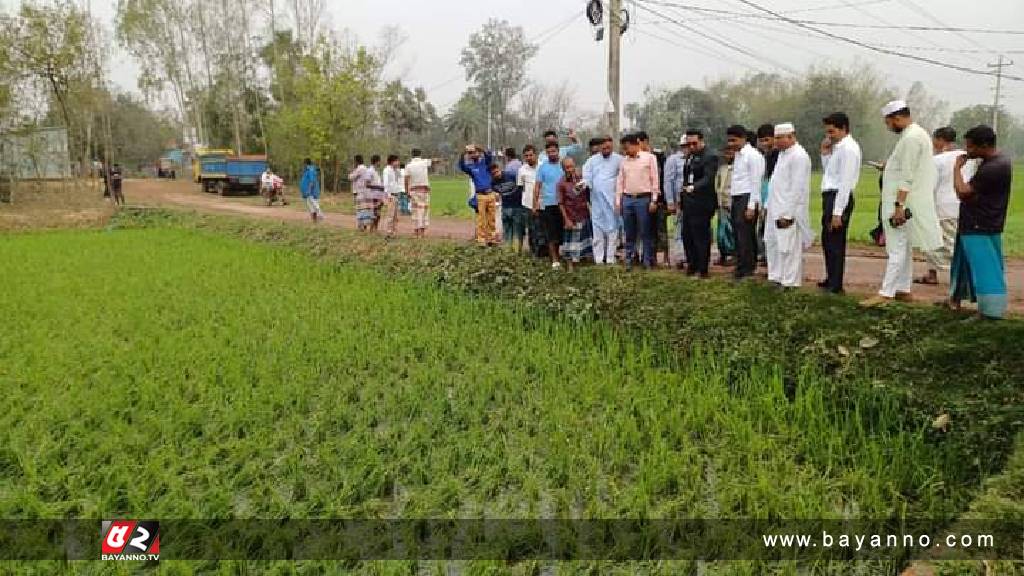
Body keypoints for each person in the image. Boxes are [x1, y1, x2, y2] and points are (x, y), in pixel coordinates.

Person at [861, 101, 943, 308]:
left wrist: (899, 206)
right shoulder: (915, 135)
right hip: (906, 201)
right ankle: (903, 289)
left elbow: (907, 176)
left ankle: (886, 292)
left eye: (888, 123)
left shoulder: (911, 138)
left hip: (902, 203)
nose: (888, 127)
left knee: (896, 249)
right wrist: (888, 168)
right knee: (903, 247)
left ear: (896, 118)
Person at [946, 125, 1012, 319]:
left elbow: (963, 192)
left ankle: (991, 312)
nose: (968, 151)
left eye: (971, 147)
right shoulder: (996, 161)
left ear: (984, 145)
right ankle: (956, 299)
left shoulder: (993, 167)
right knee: (966, 264)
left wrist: (957, 169)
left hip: (980, 225)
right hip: (981, 223)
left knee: (986, 269)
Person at [918, 127, 977, 285]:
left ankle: (964, 276)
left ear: (940, 140)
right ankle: (932, 273)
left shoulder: (937, 160)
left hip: (943, 206)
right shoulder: (966, 157)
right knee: (939, 240)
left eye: (934, 139)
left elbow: (930, 184)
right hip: (962, 204)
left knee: (945, 243)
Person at [764, 123, 813, 289]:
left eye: (779, 138)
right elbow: (776, 182)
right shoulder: (783, 154)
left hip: (787, 209)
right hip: (774, 207)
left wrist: (788, 214)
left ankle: (790, 282)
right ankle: (776, 277)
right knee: (772, 243)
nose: (776, 142)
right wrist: (767, 205)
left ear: (791, 136)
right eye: (775, 138)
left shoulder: (799, 156)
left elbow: (798, 188)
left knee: (788, 247)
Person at [818, 112, 863, 294]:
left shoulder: (849, 148)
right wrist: (825, 153)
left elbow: (845, 182)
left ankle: (836, 284)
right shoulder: (838, 147)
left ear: (843, 128)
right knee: (827, 240)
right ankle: (830, 277)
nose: (829, 136)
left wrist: (838, 211)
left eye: (832, 131)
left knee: (836, 242)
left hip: (839, 197)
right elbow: (830, 173)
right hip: (830, 195)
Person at [616, 133, 660, 271]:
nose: (626, 151)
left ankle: (646, 260)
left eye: (627, 148)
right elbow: (620, 182)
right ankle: (629, 259)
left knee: (645, 231)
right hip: (628, 198)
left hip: (644, 199)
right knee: (629, 232)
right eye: (624, 149)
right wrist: (618, 202)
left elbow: (655, 179)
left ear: (636, 144)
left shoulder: (649, 158)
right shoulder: (624, 161)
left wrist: (654, 200)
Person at [728, 125, 766, 280]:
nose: (731, 144)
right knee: (738, 233)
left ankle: (747, 268)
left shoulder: (753, 155)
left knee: (745, 234)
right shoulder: (738, 155)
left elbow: (756, 182)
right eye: (729, 141)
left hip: (747, 197)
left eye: (734, 140)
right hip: (737, 197)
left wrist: (752, 205)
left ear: (743, 138)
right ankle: (742, 265)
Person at [679, 130, 719, 278]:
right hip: (689, 202)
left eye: (694, 143)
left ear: (701, 141)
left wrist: (694, 187)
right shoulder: (690, 156)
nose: (691, 146)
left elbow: (708, 178)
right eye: (688, 144)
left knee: (700, 236)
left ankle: (703, 268)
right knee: (687, 235)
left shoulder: (710, 156)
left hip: (702, 202)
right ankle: (692, 264)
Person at [582, 136, 623, 265]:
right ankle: (599, 259)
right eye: (604, 147)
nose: (606, 150)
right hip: (597, 202)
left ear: (612, 146)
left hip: (612, 201)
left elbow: (622, 177)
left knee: (612, 230)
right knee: (598, 231)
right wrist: (583, 184)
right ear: (599, 147)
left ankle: (610, 258)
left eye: (609, 147)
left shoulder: (619, 160)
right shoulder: (591, 161)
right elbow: (587, 178)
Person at [638, 132, 670, 267]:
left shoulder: (659, 156)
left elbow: (665, 177)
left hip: (660, 198)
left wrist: (663, 198)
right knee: (646, 229)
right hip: (644, 199)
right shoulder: (636, 158)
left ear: (645, 142)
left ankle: (666, 258)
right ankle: (651, 257)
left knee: (661, 228)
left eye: (639, 142)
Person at [535, 142, 567, 268]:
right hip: (549, 204)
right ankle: (554, 259)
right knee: (550, 232)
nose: (551, 154)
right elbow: (537, 186)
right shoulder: (542, 167)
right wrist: (535, 203)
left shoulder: (563, 165)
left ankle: (564, 255)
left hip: (563, 204)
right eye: (549, 152)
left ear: (558, 151)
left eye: (554, 151)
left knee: (561, 231)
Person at [459, 145, 498, 247]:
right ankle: (481, 239)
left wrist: (479, 148)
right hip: (480, 195)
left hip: (490, 194)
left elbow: (489, 156)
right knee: (481, 219)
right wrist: (464, 153)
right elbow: (462, 166)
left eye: (475, 152)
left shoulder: (485, 163)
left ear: (479, 153)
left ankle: (491, 239)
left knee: (492, 218)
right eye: (471, 153)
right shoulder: (471, 168)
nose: (474, 154)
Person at [558, 157, 591, 271]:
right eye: (567, 167)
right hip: (571, 216)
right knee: (570, 243)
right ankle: (570, 266)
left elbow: (586, 196)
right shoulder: (561, 183)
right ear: (563, 169)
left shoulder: (581, 179)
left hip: (583, 214)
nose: (570, 169)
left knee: (582, 241)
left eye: (572, 166)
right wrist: (566, 219)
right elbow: (561, 203)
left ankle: (581, 263)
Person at [756, 124, 780, 265]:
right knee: (763, 227)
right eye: (762, 141)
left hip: (774, 195)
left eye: (767, 140)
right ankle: (766, 256)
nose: (764, 144)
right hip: (765, 192)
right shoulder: (764, 155)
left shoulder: (777, 155)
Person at [663, 136, 688, 269]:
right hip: (679, 200)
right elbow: (668, 181)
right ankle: (680, 256)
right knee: (679, 228)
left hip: (693, 201)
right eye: (685, 146)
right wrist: (670, 201)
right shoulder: (673, 160)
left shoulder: (694, 159)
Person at [517, 145, 545, 257]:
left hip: (543, 203)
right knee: (532, 230)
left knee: (543, 229)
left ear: (536, 155)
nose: (529, 158)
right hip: (527, 205)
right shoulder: (522, 170)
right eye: (526, 156)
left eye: (531, 155)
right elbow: (520, 187)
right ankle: (534, 253)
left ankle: (544, 252)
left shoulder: (543, 167)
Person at [494, 162, 526, 251]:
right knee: (507, 230)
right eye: (493, 174)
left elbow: (522, 185)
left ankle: (517, 251)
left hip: (517, 207)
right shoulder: (493, 182)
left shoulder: (512, 175)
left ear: (500, 169)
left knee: (517, 230)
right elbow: (495, 192)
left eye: (497, 172)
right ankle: (508, 250)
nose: (496, 175)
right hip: (505, 207)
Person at [715, 146, 737, 266]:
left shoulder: (738, 168)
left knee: (731, 230)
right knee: (721, 232)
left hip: (731, 202)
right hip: (721, 203)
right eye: (726, 153)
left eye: (730, 153)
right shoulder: (722, 168)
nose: (728, 155)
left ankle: (732, 254)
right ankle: (723, 254)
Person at [405, 149, 433, 238]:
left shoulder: (409, 166)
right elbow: (435, 161)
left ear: (412, 155)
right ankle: (422, 232)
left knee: (415, 211)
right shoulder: (424, 162)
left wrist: (407, 191)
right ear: (420, 154)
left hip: (414, 190)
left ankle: (416, 232)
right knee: (424, 210)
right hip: (424, 190)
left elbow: (406, 179)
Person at [381, 154, 403, 238]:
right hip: (391, 195)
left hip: (397, 194)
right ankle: (388, 232)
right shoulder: (387, 170)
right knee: (390, 214)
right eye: (396, 160)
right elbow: (386, 184)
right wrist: (388, 195)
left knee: (396, 215)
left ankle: (394, 232)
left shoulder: (396, 170)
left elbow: (399, 180)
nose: (398, 162)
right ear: (392, 161)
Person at [367, 155, 386, 232]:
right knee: (374, 212)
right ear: (376, 161)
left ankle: (375, 228)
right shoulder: (370, 171)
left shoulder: (376, 171)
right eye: (379, 161)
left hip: (379, 195)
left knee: (378, 212)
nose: (380, 163)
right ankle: (372, 229)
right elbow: (367, 184)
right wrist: (379, 187)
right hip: (373, 195)